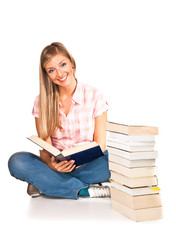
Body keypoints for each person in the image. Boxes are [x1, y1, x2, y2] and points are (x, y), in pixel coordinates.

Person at [8, 42, 111, 199]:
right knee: (17, 161)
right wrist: (52, 165)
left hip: (90, 164)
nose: (60, 73)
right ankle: (83, 190)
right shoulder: (41, 101)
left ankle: (45, 183)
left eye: (63, 64)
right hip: (56, 166)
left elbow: (100, 144)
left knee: (113, 164)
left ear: (72, 64)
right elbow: (45, 148)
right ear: (47, 75)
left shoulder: (94, 94)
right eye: (52, 70)